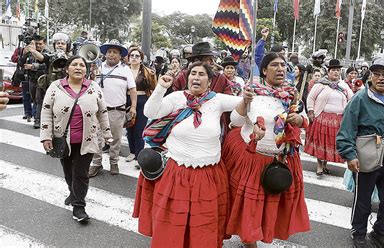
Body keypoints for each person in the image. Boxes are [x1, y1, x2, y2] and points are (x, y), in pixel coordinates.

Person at [133, 62, 252, 247]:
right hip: (176, 173)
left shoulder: (218, 99)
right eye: (193, 73)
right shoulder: (176, 98)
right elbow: (150, 111)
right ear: (187, 78)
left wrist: (246, 99)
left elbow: (238, 117)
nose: (196, 77)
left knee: (203, 227)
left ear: (210, 81)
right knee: (172, 225)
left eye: (201, 74)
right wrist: (161, 87)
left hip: (208, 174)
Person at [223, 53, 310, 247]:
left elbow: (304, 120)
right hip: (254, 158)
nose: (280, 69)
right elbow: (235, 122)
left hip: (282, 158)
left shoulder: (291, 94)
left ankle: (261, 232)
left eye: (283, 65)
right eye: (274, 65)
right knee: (251, 205)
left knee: (270, 204)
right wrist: (244, 101)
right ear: (264, 70)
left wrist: (299, 120)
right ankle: (249, 240)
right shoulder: (252, 92)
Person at [336, 57, 384, 248]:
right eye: (376, 74)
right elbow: (346, 130)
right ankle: (359, 233)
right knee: (363, 201)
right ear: (370, 76)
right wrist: (350, 155)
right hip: (366, 160)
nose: (380, 78)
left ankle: (380, 232)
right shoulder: (360, 99)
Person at [40, 55, 112, 222]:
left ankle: (79, 206)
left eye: (82, 65)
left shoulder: (94, 87)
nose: (78, 67)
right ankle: (72, 192)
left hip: (87, 140)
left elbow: (102, 112)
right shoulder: (56, 87)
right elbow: (46, 111)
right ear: (67, 69)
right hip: (62, 140)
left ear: (86, 70)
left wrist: (107, 134)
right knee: (68, 171)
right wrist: (46, 136)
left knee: (81, 173)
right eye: (74, 65)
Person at [88, 39, 137, 177]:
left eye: (115, 52)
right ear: (105, 54)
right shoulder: (98, 67)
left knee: (115, 139)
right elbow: (90, 85)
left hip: (117, 110)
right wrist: (91, 73)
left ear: (120, 55)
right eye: (109, 52)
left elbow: (132, 89)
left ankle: (114, 162)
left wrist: (133, 107)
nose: (111, 55)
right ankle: (97, 164)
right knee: (96, 138)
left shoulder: (125, 69)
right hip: (97, 110)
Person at [305, 59, 353, 176]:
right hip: (322, 117)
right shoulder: (321, 84)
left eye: (338, 70)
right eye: (334, 70)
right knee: (321, 142)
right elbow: (310, 98)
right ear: (328, 72)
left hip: (338, 120)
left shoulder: (343, 85)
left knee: (331, 143)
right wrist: (311, 111)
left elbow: (352, 99)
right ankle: (320, 165)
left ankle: (325, 164)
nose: (336, 73)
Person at [124, 48, 157, 167]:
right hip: (127, 100)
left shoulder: (148, 72)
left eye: (137, 56)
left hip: (142, 100)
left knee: (139, 128)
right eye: (131, 55)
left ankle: (139, 154)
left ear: (141, 58)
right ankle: (132, 151)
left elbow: (153, 87)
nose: (134, 57)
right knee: (129, 127)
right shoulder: (124, 70)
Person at [17, 35, 50, 125]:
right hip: (31, 79)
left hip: (43, 80)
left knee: (40, 100)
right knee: (34, 100)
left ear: (44, 44)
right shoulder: (29, 51)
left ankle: (37, 120)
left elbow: (47, 64)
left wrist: (33, 67)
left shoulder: (48, 53)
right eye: (36, 44)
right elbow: (20, 63)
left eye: (40, 44)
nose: (38, 46)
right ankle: (36, 117)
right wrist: (24, 54)